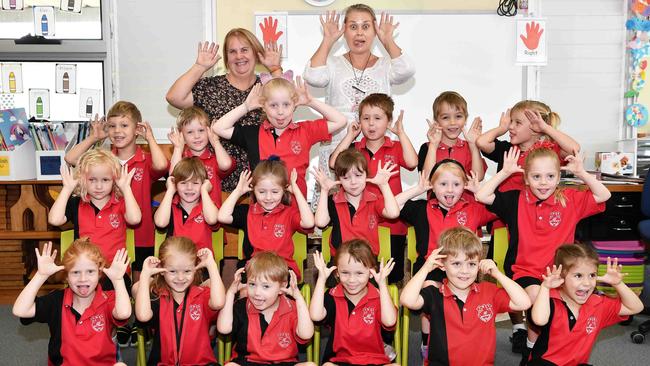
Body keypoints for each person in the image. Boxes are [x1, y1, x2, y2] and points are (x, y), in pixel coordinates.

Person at [475, 147, 611, 362]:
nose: (543, 182)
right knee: (540, 301)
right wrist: (505, 172)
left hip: (560, 273)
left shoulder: (570, 200)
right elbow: (482, 195)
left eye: (550, 176)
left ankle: (536, 349)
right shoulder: (515, 200)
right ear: (526, 178)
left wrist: (582, 173)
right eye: (536, 177)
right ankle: (534, 352)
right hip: (524, 271)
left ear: (558, 177)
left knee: (554, 313)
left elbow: (604, 194)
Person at [475, 100, 581, 353]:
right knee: (513, 272)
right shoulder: (507, 149)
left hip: (541, 220)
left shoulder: (550, 149)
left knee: (539, 278)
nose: (512, 127)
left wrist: (545, 127)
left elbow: (574, 149)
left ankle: (539, 335)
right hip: (509, 215)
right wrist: (502, 128)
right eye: (511, 121)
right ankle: (519, 328)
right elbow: (481, 143)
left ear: (534, 127)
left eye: (517, 122)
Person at [396, 160, 495, 357]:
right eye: (442, 184)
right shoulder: (421, 208)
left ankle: (464, 339)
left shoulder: (473, 208)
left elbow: (500, 205)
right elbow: (391, 205)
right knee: (429, 290)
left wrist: (480, 189)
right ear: (432, 185)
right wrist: (417, 189)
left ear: (464, 186)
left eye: (457, 184)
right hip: (432, 265)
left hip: (461, 269)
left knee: (464, 291)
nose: (450, 190)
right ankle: (427, 342)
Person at [166, 29, 284, 191]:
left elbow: (287, 105)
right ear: (226, 58)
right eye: (232, 51)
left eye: (244, 50)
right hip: (214, 185)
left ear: (255, 54)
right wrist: (200, 66)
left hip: (263, 186)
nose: (239, 56)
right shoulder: (210, 87)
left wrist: (275, 69)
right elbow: (174, 97)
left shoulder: (267, 87)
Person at [64, 101, 168, 282]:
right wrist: (94, 138)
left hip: (140, 231)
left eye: (124, 125)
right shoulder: (104, 160)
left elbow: (162, 165)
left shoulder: (145, 159)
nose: (117, 131)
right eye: (112, 126)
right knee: (107, 277)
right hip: (110, 233)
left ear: (137, 129)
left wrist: (150, 138)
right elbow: (70, 158)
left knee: (140, 282)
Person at [400, 227, 531, 365]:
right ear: (442, 265)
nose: (465, 271)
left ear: (479, 265)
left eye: (471, 264)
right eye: (457, 264)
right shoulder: (435, 294)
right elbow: (407, 300)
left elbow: (524, 303)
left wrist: (498, 274)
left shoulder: (488, 291)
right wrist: (425, 268)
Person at [328, 93, 417, 283]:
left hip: (392, 222)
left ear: (389, 121)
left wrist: (401, 133)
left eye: (378, 118)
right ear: (359, 121)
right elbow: (334, 163)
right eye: (365, 118)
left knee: (390, 278)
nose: (371, 124)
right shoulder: (354, 149)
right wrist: (349, 135)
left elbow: (412, 162)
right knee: (359, 274)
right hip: (363, 225)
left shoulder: (395, 146)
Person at [213, 76, 347, 196]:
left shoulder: (305, 131)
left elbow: (340, 121)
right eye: (273, 105)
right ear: (263, 106)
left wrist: (311, 101)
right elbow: (219, 128)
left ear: (294, 104)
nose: (280, 112)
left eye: (286, 104)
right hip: (261, 214)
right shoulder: (253, 134)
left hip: (297, 213)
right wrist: (246, 106)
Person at [13, 240, 131, 365]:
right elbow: (20, 310)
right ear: (67, 276)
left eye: (90, 271)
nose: (83, 279)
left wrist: (118, 280)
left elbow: (124, 314)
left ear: (99, 273)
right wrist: (41, 275)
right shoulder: (57, 301)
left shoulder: (108, 298)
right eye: (75, 272)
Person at [529, 243, 644, 365]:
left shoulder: (598, 303)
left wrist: (618, 284)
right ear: (561, 276)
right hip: (545, 363)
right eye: (578, 275)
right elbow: (539, 320)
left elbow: (636, 307)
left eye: (592, 275)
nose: (587, 283)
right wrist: (545, 287)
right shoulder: (550, 301)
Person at [135, 236, 226, 365]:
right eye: (172, 271)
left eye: (187, 271)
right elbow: (143, 316)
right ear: (161, 270)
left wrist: (211, 265)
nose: (180, 278)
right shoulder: (158, 298)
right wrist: (145, 275)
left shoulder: (201, 295)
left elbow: (219, 302)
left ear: (196, 268)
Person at [218, 158, 314, 278]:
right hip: (253, 268)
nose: (268, 197)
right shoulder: (247, 212)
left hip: (282, 270)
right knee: (242, 286)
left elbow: (309, 223)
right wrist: (238, 191)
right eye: (262, 192)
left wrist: (296, 192)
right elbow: (222, 217)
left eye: (275, 192)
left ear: (284, 190)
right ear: (253, 189)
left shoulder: (289, 213)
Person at [218, 251, 315, 366]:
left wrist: (298, 298)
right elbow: (223, 329)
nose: (257, 293)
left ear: (282, 287)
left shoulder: (292, 307)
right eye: (252, 284)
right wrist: (230, 293)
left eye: (266, 286)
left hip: (284, 362)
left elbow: (306, 335)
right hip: (248, 361)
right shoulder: (241, 306)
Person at [311, 240, 398, 366]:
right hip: (340, 360)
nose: (352, 280)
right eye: (345, 273)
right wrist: (321, 279)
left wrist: (382, 285)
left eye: (359, 273)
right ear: (337, 273)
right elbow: (315, 316)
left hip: (375, 360)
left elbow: (390, 322)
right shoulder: (332, 295)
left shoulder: (380, 297)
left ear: (371, 272)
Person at [49, 149, 141, 265]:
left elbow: (135, 219)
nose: (99, 186)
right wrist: (67, 189)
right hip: (84, 270)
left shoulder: (121, 202)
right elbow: (54, 220)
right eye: (92, 180)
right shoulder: (76, 202)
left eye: (105, 180)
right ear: (83, 179)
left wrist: (126, 188)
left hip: (116, 272)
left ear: (114, 180)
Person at [314, 148, 400, 257]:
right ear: (338, 179)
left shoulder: (374, 199)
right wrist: (324, 190)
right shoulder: (333, 200)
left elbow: (394, 213)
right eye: (346, 177)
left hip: (368, 262)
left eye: (358, 176)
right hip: (340, 262)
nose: (353, 182)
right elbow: (320, 222)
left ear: (366, 175)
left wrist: (384, 185)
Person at [168, 106, 234, 206]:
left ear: (208, 131)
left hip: (211, 217)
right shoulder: (180, 159)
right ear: (181, 135)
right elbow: (173, 176)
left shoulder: (214, 159)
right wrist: (177, 148)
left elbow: (226, 164)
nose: (197, 136)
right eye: (190, 132)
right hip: (187, 217)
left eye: (201, 130)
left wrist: (215, 141)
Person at [154, 157, 219, 251]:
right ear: (175, 184)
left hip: (201, 263)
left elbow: (212, 220)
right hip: (174, 262)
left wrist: (204, 191)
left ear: (204, 183)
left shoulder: (208, 206)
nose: (189, 188)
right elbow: (160, 223)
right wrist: (170, 191)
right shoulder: (169, 206)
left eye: (195, 183)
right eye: (183, 183)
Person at [418, 91, 485, 181]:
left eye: (458, 116)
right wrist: (433, 146)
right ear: (436, 121)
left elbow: (478, 177)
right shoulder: (427, 148)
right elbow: (426, 180)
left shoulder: (470, 147)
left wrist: (473, 145)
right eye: (446, 117)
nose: (452, 122)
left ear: (465, 119)